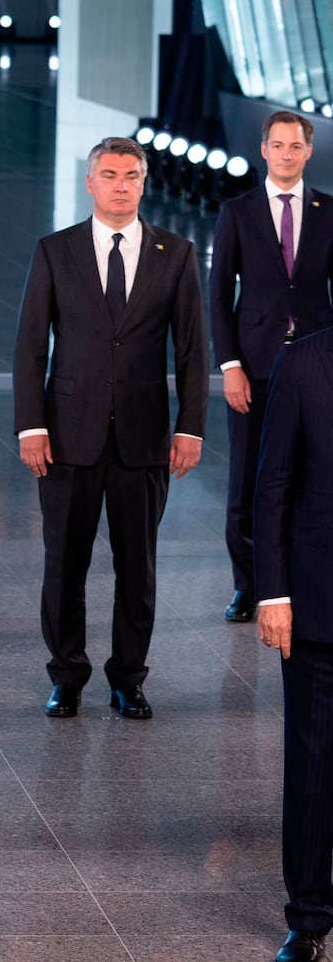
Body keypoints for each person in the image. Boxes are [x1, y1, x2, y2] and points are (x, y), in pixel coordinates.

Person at [13, 136, 208, 721]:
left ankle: (128, 678)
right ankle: (67, 676)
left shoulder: (175, 252)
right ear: (90, 182)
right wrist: (31, 426)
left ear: (143, 184)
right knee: (63, 565)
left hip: (145, 439)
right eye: (109, 174)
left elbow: (193, 350)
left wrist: (190, 427)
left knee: (138, 567)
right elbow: (30, 346)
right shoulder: (55, 250)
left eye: (131, 175)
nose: (120, 184)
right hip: (69, 435)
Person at [210, 110, 333, 624]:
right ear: (263, 150)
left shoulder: (330, 211)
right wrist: (230, 365)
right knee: (248, 479)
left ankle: (304, 580)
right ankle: (249, 585)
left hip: (316, 363)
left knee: (313, 474)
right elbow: (218, 295)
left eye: (295, 146)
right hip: (255, 365)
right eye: (277, 145)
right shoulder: (237, 212)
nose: (286, 153)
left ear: (308, 152)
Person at [255, 324, 333, 962]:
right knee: (311, 767)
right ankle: (308, 918)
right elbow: (273, 484)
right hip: (317, 602)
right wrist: (272, 591)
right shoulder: (302, 363)